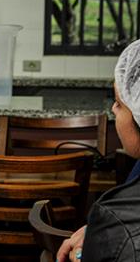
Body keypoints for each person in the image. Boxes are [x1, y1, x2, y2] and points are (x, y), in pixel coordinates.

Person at [57, 39, 140, 262]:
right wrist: (97, 233)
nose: (113, 109)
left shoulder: (116, 217)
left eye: (119, 103)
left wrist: (104, 238)